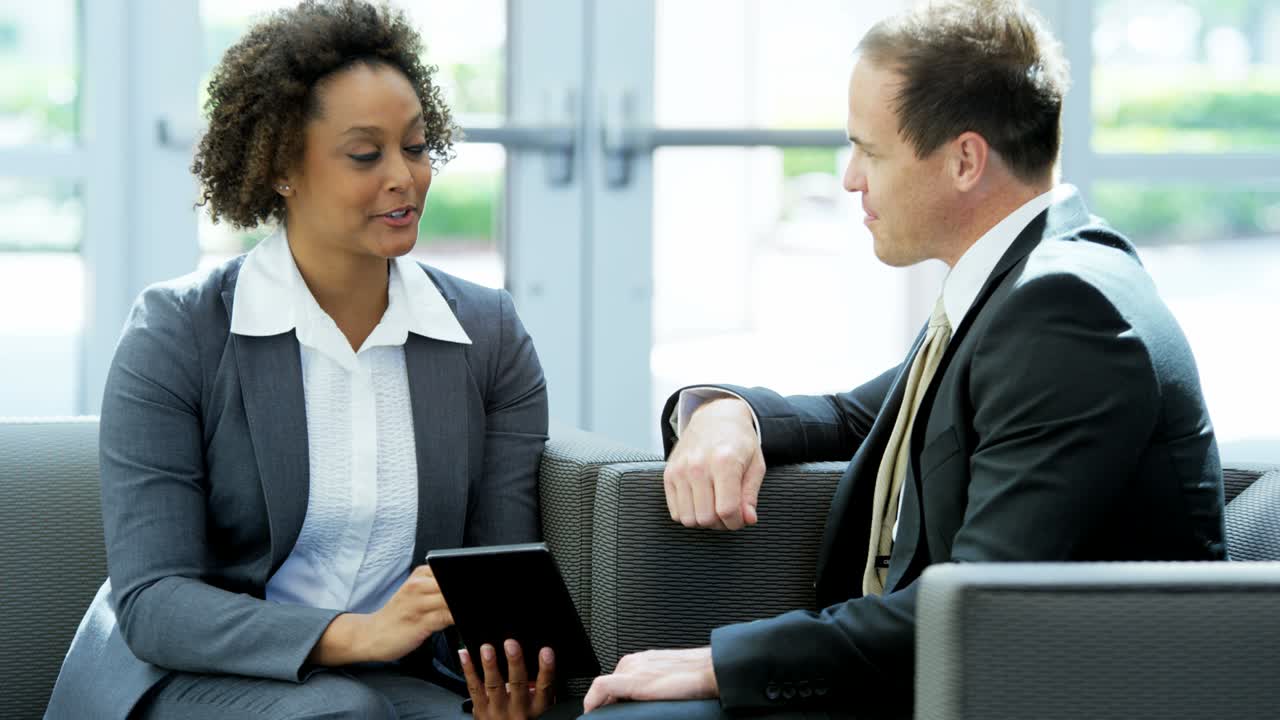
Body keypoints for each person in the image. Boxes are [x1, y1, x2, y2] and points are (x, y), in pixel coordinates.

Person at [581, 1, 1226, 718]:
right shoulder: (1020, 282)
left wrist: (722, 663)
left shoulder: (1067, 315)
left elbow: (977, 606)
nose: (851, 178)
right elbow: (862, 417)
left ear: (964, 160)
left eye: (871, 151)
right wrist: (728, 413)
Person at [45, 2, 569, 718]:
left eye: (416, 147)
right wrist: (357, 634)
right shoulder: (177, 333)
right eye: (365, 155)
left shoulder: (489, 335)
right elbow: (155, 603)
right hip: (196, 672)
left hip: (395, 680)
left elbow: (494, 581)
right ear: (282, 168)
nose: (404, 177)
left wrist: (508, 679)